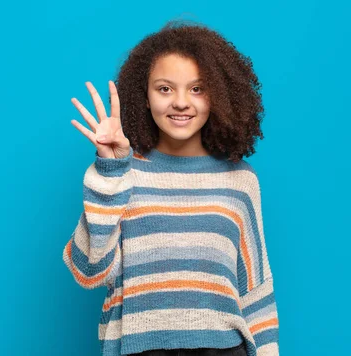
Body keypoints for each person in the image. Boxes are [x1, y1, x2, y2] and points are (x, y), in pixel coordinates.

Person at [63, 20, 279, 356]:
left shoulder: (240, 180)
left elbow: (255, 290)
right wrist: (110, 169)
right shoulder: (121, 172)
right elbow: (89, 271)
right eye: (165, 89)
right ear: (144, 97)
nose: (180, 102)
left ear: (218, 96)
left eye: (197, 88)